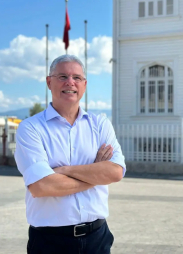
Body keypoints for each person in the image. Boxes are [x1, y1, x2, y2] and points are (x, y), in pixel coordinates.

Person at [14, 54, 126, 254]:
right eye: (62, 76)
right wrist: (95, 175)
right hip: (50, 242)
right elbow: (42, 186)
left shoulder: (100, 125)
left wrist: (65, 170)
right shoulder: (30, 128)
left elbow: (115, 172)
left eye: (77, 78)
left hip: (97, 239)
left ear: (84, 84)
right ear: (49, 82)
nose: (70, 82)